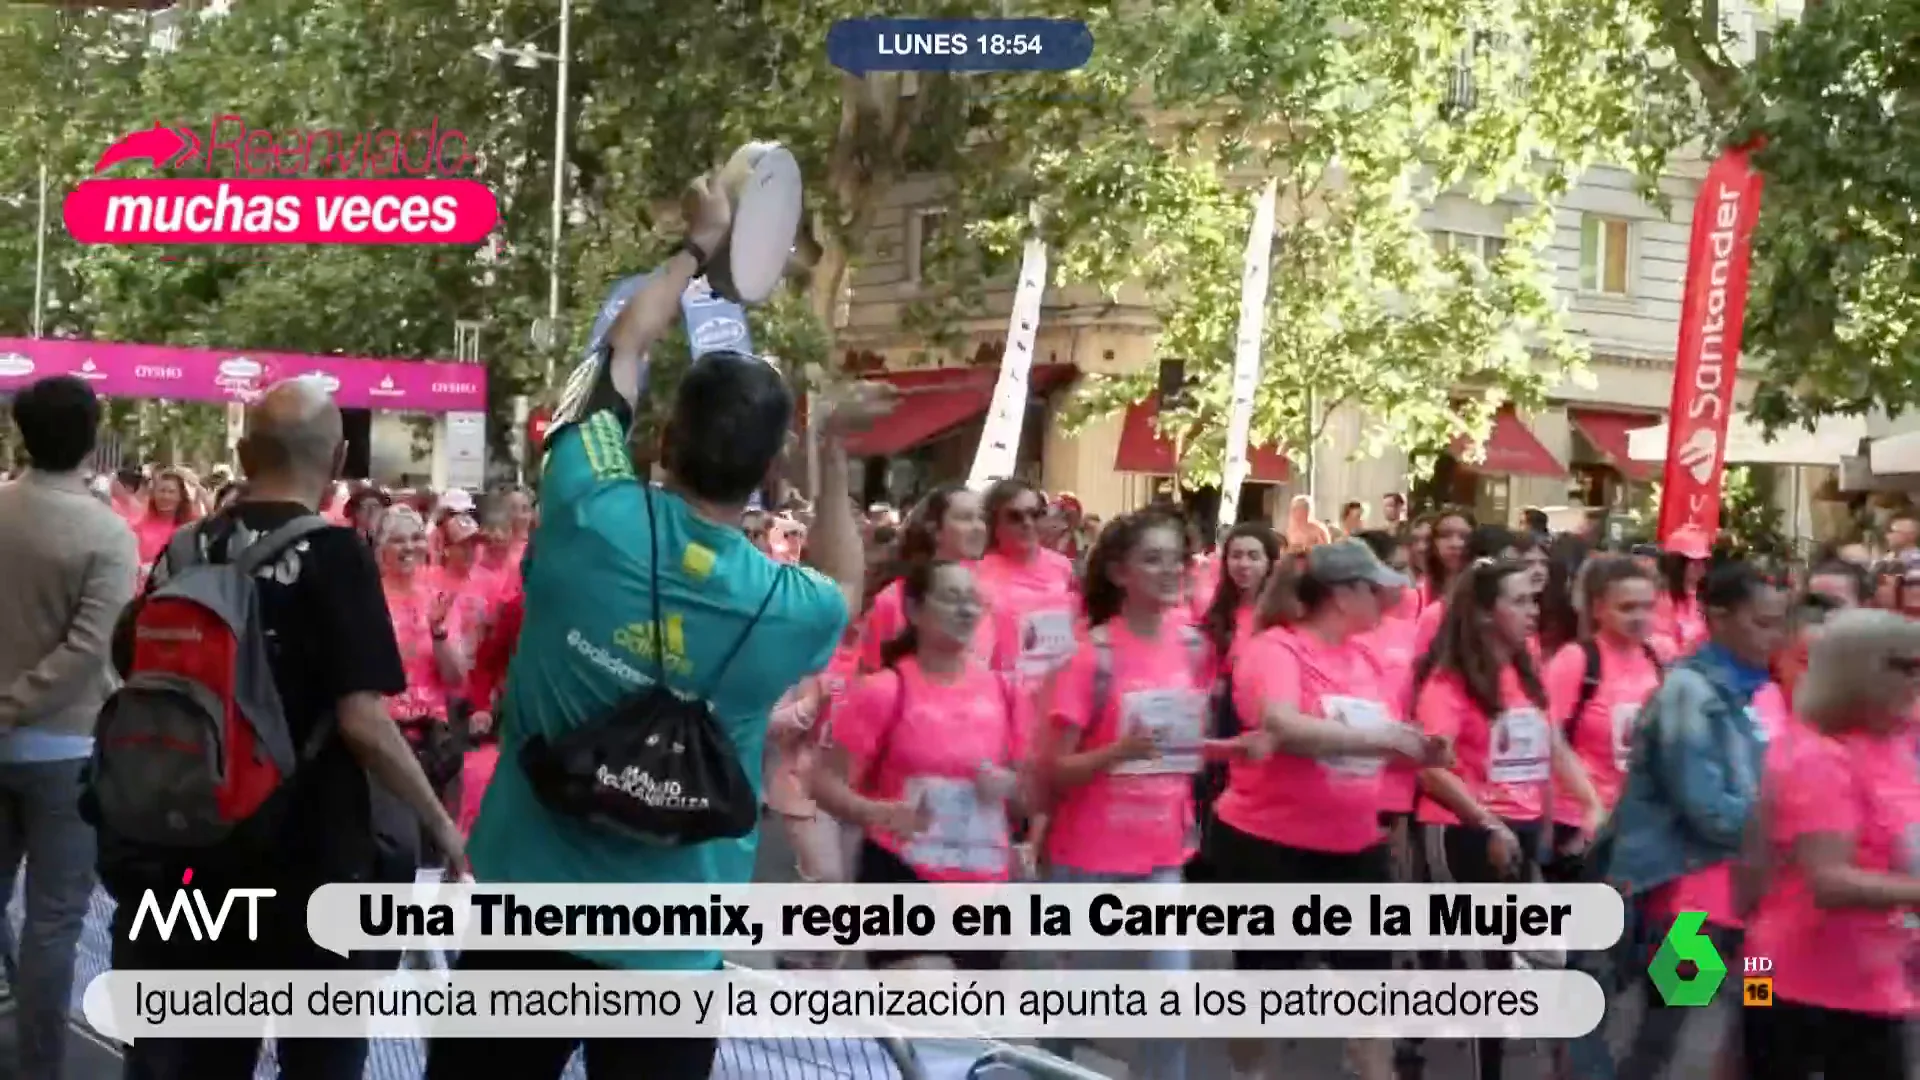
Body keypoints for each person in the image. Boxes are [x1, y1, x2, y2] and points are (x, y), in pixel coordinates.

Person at [425, 171, 884, 1080]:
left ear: (662, 442)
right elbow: (843, 580)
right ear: (766, 474)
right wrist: (834, 459)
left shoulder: (588, 509)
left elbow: (622, 352)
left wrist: (695, 248)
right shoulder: (785, 606)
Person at [105, 377, 463, 1080]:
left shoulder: (185, 549)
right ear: (335, 460)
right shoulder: (336, 556)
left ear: (241, 453)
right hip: (312, 853)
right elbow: (363, 720)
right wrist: (441, 826)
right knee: (320, 1053)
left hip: (192, 843)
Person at [0, 376, 138, 1080]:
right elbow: (91, 648)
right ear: (91, 434)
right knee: (55, 922)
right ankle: (39, 1067)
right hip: (68, 748)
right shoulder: (107, 533)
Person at [1742, 609, 1920, 1078]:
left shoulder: (1890, 743)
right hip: (1788, 974)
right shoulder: (1815, 755)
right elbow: (1829, 882)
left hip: (1866, 974)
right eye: (1904, 667)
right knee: (1692, 1023)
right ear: (1860, 672)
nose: (1916, 680)